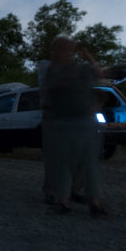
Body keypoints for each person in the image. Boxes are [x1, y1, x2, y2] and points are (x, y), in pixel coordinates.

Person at [41, 37, 107, 216]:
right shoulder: (51, 71)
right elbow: (47, 95)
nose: (59, 53)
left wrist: (88, 57)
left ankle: (94, 203)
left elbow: (100, 76)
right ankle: (64, 201)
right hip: (62, 122)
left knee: (87, 163)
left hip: (83, 121)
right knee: (63, 164)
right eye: (58, 49)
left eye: (64, 49)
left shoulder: (82, 68)